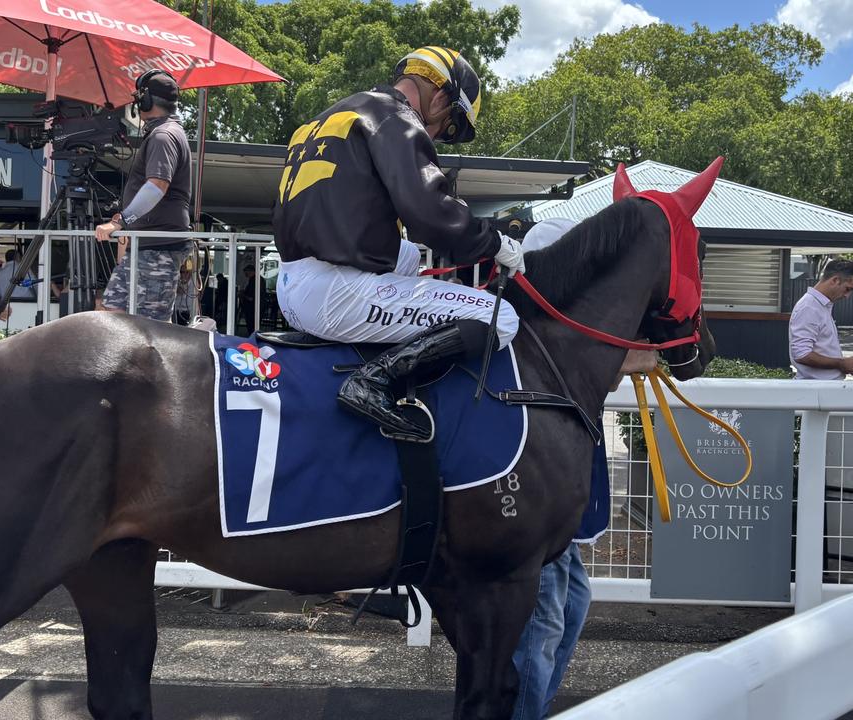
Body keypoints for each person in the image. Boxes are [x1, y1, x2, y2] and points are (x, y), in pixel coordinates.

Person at [273, 46, 526, 441]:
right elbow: (428, 213)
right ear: (441, 96)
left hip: (291, 286)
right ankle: (373, 381)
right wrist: (493, 242)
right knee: (500, 317)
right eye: (449, 124)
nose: (440, 135)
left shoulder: (335, 114)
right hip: (332, 294)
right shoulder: (394, 117)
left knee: (408, 255)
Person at [506, 218, 658, 720]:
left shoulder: (561, 326)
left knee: (570, 605)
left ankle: (536, 707)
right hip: (534, 490)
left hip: (555, 485)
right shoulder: (526, 324)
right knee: (545, 617)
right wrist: (626, 360)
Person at [95, 69, 192, 322]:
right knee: (110, 315)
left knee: (150, 329)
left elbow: (157, 185)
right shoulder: (165, 133)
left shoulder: (163, 136)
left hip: (158, 248)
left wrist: (120, 221)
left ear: (146, 101)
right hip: (149, 246)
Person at [788, 259, 853, 380]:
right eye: (847, 289)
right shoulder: (809, 307)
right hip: (816, 390)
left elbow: (820, 349)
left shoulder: (819, 306)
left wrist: (845, 362)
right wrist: (841, 363)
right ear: (835, 280)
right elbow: (802, 354)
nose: (847, 296)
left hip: (821, 389)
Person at [239, 264, 257, 333]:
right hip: (252, 307)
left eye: (246, 272)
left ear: (250, 272)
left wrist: (242, 295)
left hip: (252, 308)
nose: (245, 274)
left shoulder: (254, 281)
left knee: (251, 325)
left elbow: (251, 298)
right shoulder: (253, 280)